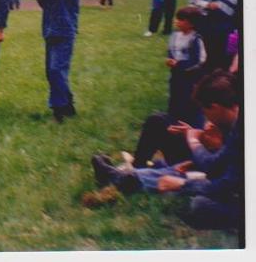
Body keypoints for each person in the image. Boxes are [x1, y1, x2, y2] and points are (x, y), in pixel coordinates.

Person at [92, 70, 243, 232]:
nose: (207, 119)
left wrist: (193, 143)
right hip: (227, 179)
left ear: (215, 107)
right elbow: (221, 162)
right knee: (175, 156)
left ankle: (124, 178)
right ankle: (126, 177)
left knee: (200, 203)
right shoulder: (237, 125)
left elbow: (224, 182)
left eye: (206, 112)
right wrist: (197, 147)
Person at [32, 0, 81, 123]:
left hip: (65, 28)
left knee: (56, 70)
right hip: (50, 28)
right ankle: (67, 105)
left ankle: (58, 110)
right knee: (52, 71)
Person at [166, 6, 206, 127]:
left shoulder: (195, 39)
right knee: (174, 96)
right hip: (176, 74)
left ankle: (189, 123)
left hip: (190, 76)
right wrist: (170, 60)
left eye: (181, 20)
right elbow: (171, 50)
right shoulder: (174, 35)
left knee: (188, 99)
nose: (177, 21)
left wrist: (180, 64)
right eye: (177, 19)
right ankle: (173, 119)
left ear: (191, 24)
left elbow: (200, 60)